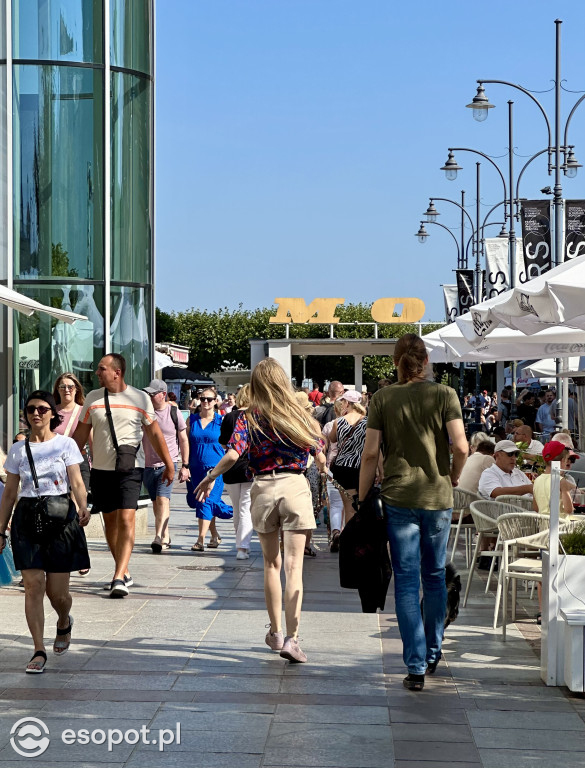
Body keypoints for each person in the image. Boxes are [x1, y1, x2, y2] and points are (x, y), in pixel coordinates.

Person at [194, 358, 325, 664]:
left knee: (271, 565)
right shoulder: (300, 415)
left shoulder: (250, 417)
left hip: (264, 488)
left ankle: (276, 632)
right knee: (294, 568)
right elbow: (319, 454)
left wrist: (211, 477)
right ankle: (293, 639)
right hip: (294, 486)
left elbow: (233, 453)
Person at [359, 333, 468, 691]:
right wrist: (451, 475)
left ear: (396, 361)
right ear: (426, 361)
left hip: (397, 498)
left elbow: (371, 453)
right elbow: (462, 446)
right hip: (437, 498)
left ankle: (416, 665)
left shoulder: (383, 398)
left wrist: (362, 499)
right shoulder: (444, 394)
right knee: (434, 575)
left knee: (406, 580)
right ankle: (434, 651)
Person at [0, 391, 90, 673]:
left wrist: (83, 506)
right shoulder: (17, 450)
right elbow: (10, 492)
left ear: (52, 413)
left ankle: (64, 619)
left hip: (60, 516)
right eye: (30, 409)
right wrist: (1, 528)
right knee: (33, 585)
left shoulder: (65, 445)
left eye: (41, 409)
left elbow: (76, 480)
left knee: (57, 592)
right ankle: (38, 649)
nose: (35, 414)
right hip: (27, 517)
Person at [73, 354, 174, 598]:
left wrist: (170, 465)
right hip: (101, 470)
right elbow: (79, 436)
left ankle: (118, 577)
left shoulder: (139, 398)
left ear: (117, 372)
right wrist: (63, 461)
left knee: (127, 519)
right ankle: (124, 568)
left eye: (102, 369)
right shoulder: (94, 400)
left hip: (130, 469)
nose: (97, 373)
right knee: (110, 522)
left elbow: (155, 434)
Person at [142, 379, 190, 553]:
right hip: (148, 465)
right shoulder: (145, 414)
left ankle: (157, 536)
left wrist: (185, 465)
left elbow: (183, 440)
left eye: (152, 394)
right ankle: (166, 534)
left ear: (162, 394)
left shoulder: (174, 412)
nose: (149, 397)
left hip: (167, 465)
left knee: (163, 500)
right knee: (157, 503)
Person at [53, 372, 91, 576]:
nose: (66, 390)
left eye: (70, 386)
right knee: (56, 511)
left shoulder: (83, 412)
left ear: (76, 389)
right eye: (62, 386)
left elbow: (91, 441)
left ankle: (79, 554)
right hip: (54, 466)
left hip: (78, 464)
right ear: (57, 390)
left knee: (77, 510)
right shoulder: (50, 411)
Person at [185, 386, 233, 551]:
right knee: (202, 502)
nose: (205, 402)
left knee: (205, 501)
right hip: (195, 468)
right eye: (203, 398)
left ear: (216, 402)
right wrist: (184, 465)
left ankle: (200, 540)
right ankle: (215, 535)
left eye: (209, 399)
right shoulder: (191, 420)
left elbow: (230, 445)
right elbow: (185, 443)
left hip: (215, 470)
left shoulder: (221, 420)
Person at [219, 384, 254, 559]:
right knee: (245, 507)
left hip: (231, 466)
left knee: (236, 506)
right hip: (250, 466)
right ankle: (243, 546)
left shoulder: (229, 417)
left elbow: (224, 443)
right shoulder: (255, 417)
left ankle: (240, 544)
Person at [327, 390, 368, 528]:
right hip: (362, 467)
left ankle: (350, 545)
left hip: (343, 468)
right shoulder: (367, 422)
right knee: (361, 506)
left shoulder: (339, 421)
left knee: (349, 507)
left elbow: (332, 439)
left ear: (347, 403)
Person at [321, 399, 346, 552]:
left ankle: (336, 531)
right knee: (350, 504)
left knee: (336, 504)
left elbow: (322, 447)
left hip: (332, 466)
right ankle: (346, 535)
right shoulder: (358, 424)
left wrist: (321, 466)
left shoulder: (330, 425)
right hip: (353, 467)